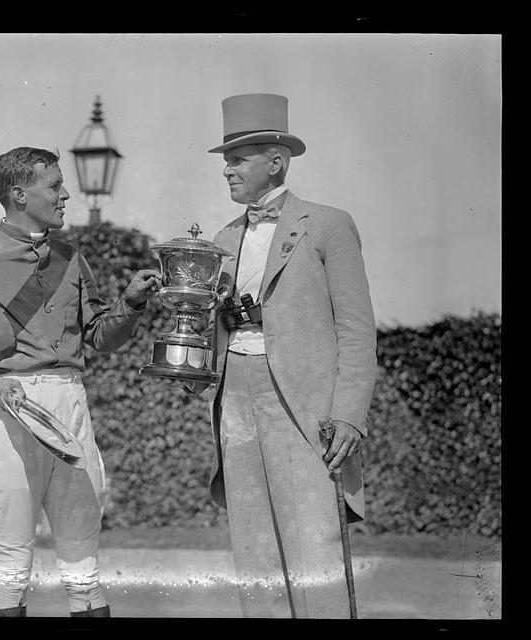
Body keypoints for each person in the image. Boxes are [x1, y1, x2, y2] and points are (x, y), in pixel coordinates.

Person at [0, 146, 159, 617]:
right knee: (12, 561)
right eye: (54, 186)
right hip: (10, 407)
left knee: (82, 561)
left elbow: (99, 338)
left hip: (70, 404)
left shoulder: (71, 256)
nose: (65, 194)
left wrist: (129, 304)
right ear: (18, 193)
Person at [187, 93, 377, 618]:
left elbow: (357, 330)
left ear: (276, 161)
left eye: (238, 157)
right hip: (234, 401)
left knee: (314, 550)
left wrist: (349, 416)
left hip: (305, 405)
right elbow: (213, 329)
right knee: (255, 557)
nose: (227, 169)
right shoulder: (221, 239)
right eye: (226, 158)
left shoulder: (328, 224)